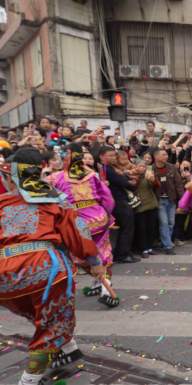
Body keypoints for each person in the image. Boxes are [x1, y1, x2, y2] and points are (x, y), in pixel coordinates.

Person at [0, 148, 104, 385]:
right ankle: (29, 380)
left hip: (3, 275)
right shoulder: (56, 199)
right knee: (53, 323)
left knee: (42, 313)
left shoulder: (2, 202)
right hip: (44, 269)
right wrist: (94, 262)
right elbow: (77, 233)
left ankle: (68, 348)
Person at [51, 143, 119, 307]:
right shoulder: (92, 175)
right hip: (98, 220)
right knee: (102, 254)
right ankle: (102, 285)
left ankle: (102, 285)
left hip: (75, 223)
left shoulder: (55, 178)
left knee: (83, 256)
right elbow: (108, 198)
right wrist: (107, 214)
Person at [98, 146, 140, 264]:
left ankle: (124, 252)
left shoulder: (110, 168)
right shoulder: (107, 169)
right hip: (117, 201)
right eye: (110, 155)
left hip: (118, 200)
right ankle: (122, 254)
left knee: (126, 227)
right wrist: (130, 182)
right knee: (127, 227)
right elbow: (124, 183)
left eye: (114, 155)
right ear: (102, 156)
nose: (113, 158)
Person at [152, 147, 184, 255]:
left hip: (171, 199)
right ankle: (168, 246)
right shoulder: (151, 169)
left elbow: (178, 184)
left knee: (171, 223)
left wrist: (182, 200)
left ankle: (166, 241)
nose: (166, 156)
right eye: (163, 154)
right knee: (164, 223)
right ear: (156, 157)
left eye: (166, 154)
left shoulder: (171, 167)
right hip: (159, 200)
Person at [133, 157, 159, 258]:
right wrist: (137, 177)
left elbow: (157, 186)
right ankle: (143, 249)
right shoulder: (133, 176)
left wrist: (153, 180)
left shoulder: (149, 175)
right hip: (139, 206)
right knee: (142, 229)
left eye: (144, 166)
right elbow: (132, 187)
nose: (142, 168)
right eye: (140, 166)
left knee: (151, 228)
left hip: (151, 204)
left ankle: (149, 247)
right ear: (135, 167)